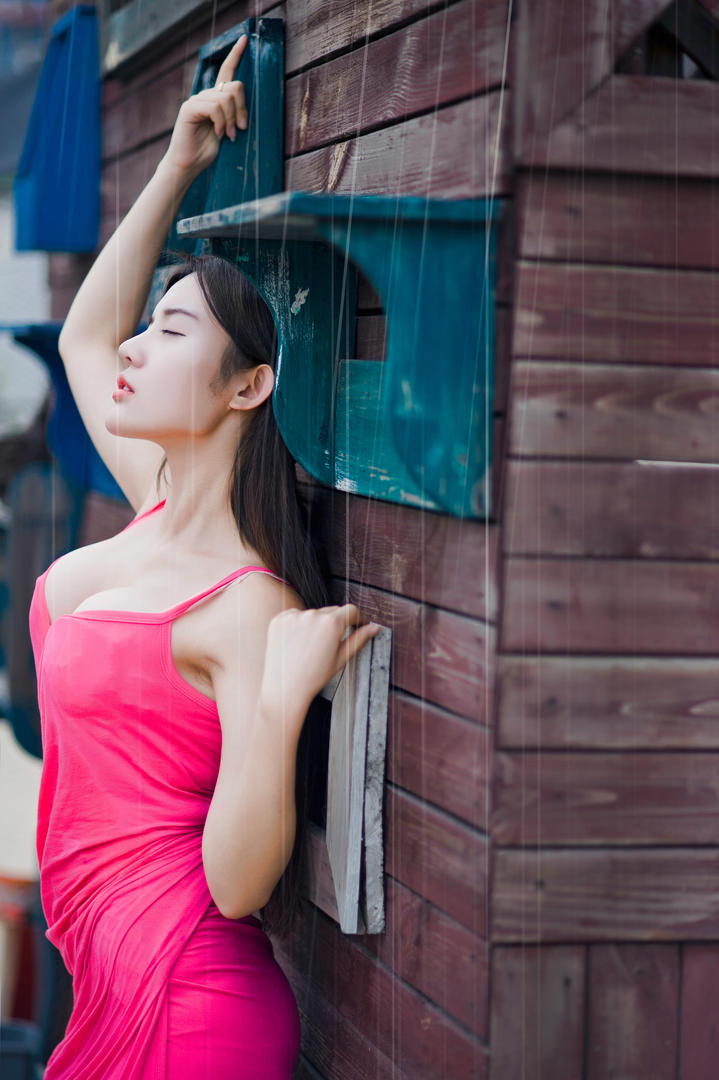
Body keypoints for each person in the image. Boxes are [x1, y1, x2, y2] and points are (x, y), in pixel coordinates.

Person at [27, 34, 380, 1079]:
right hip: (107, 988)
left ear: (247, 386)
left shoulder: (247, 601)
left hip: (191, 1004)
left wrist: (277, 705)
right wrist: (177, 161)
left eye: (172, 332)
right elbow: (88, 339)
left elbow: (234, 885)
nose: (136, 347)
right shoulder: (157, 505)